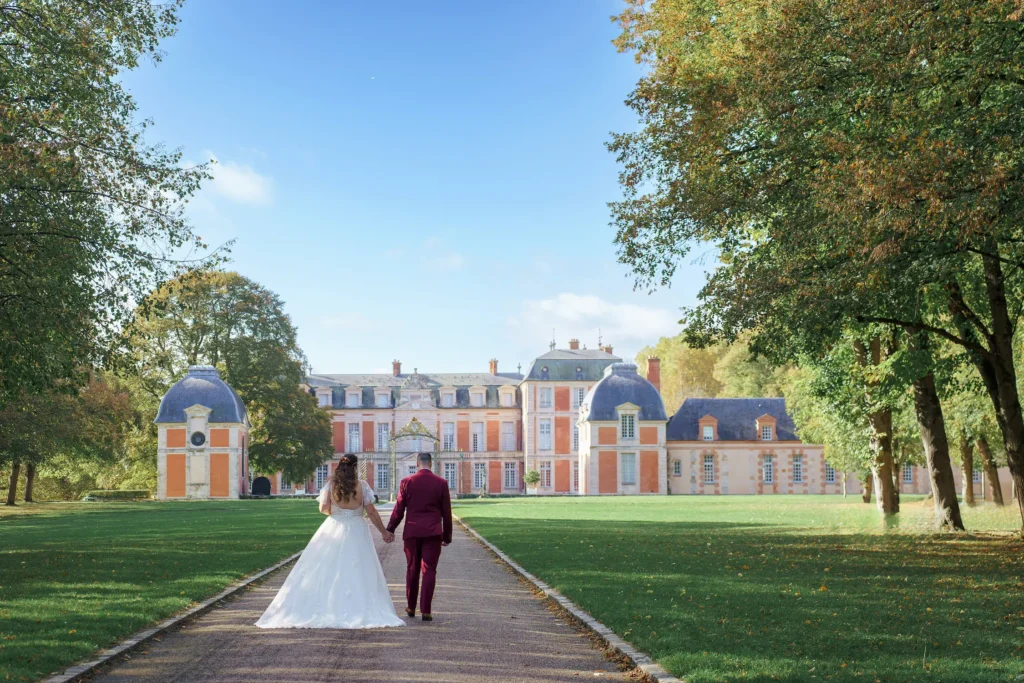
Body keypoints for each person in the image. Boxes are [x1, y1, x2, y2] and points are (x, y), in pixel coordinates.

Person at [255, 454, 404, 629]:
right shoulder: (362, 486)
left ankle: (327, 605)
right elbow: (371, 512)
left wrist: (338, 514)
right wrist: (384, 532)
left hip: (334, 527)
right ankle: (357, 606)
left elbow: (323, 508)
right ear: (355, 467)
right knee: (359, 567)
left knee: (325, 566)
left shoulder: (332, 485)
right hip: (357, 529)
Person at [386, 452, 453, 621]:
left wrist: (390, 529)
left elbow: (399, 510)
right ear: (431, 464)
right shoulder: (441, 483)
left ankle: (410, 606)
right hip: (433, 532)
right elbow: (446, 512)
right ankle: (426, 610)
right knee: (429, 569)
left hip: (412, 532)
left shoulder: (407, 482)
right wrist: (447, 536)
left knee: (412, 568)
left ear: (417, 464)